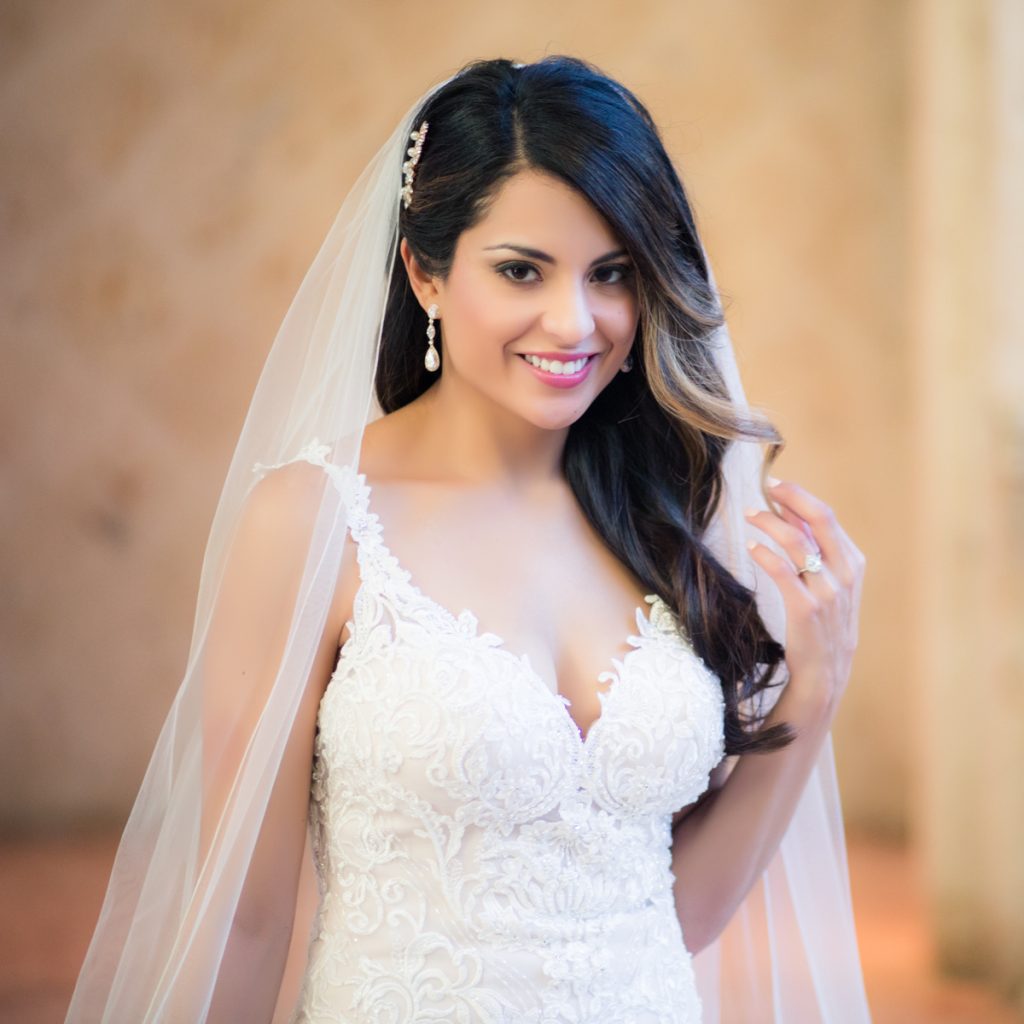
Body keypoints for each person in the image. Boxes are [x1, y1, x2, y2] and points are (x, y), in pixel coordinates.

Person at [67, 56, 871, 1023]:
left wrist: (816, 689)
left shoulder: (668, 521)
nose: (575, 321)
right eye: (522, 269)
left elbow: (674, 916)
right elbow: (244, 920)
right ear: (426, 271)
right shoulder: (313, 523)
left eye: (613, 273)